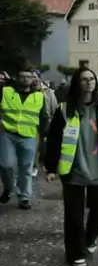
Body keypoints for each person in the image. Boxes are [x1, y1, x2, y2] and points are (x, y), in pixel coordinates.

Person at [43, 67, 98, 266]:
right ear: (77, 83)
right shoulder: (64, 109)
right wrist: (51, 167)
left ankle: (89, 239)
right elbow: (54, 139)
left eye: (92, 79)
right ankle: (75, 253)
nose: (89, 82)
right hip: (73, 169)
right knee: (74, 216)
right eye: (84, 79)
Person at [1, 69, 51, 209]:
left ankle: (24, 196)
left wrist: (44, 134)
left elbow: (43, 117)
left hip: (29, 135)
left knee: (26, 168)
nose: (25, 79)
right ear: (17, 78)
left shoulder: (39, 97)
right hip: (8, 134)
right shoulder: (6, 92)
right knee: (6, 165)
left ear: (32, 79)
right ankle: (8, 188)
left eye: (28, 77)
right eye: (22, 76)